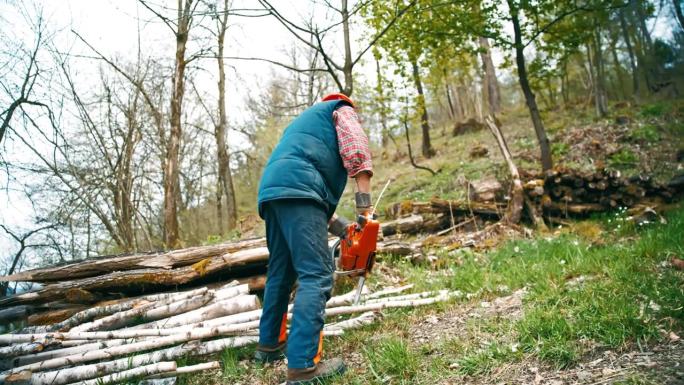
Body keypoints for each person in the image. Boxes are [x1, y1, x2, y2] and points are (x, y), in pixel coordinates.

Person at [254, 93, 373, 384]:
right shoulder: (341, 108)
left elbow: (307, 204)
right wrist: (365, 211)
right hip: (299, 191)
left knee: (281, 272)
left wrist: (345, 229)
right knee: (317, 274)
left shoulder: (300, 128)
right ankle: (303, 366)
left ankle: (269, 346)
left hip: (273, 194)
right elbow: (357, 151)